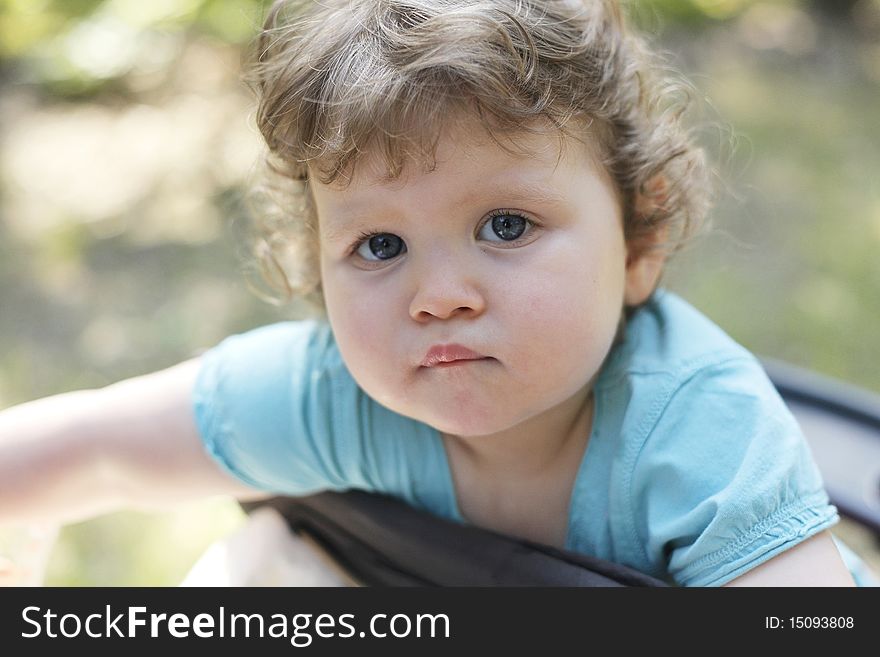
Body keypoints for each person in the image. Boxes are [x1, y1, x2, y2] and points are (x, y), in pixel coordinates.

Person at [0, 0, 860, 587]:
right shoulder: (333, 394)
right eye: (380, 244)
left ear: (640, 236)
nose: (438, 296)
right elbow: (84, 450)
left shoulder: (702, 428)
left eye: (507, 226)